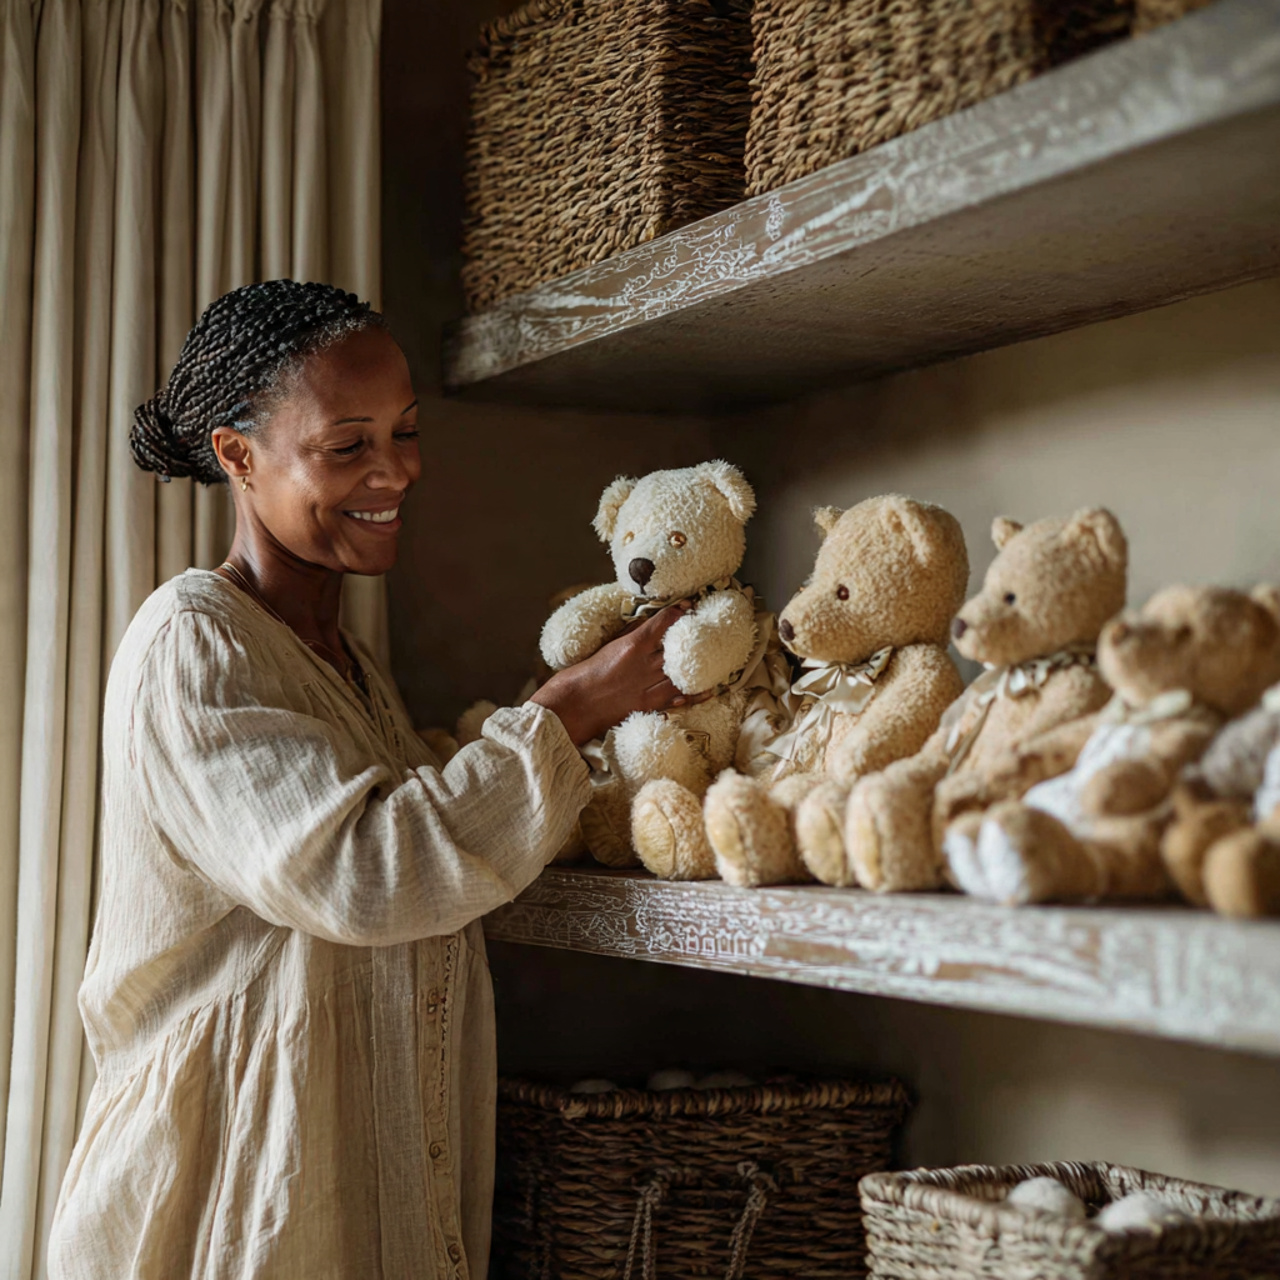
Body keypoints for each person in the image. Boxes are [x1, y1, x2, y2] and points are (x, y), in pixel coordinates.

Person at [48, 280, 702, 1279]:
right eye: (347, 444)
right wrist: (567, 711)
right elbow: (364, 873)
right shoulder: (194, 644)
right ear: (237, 456)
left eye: (405, 431)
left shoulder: (345, 662)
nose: (395, 469)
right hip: (222, 1208)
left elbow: (412, 844)